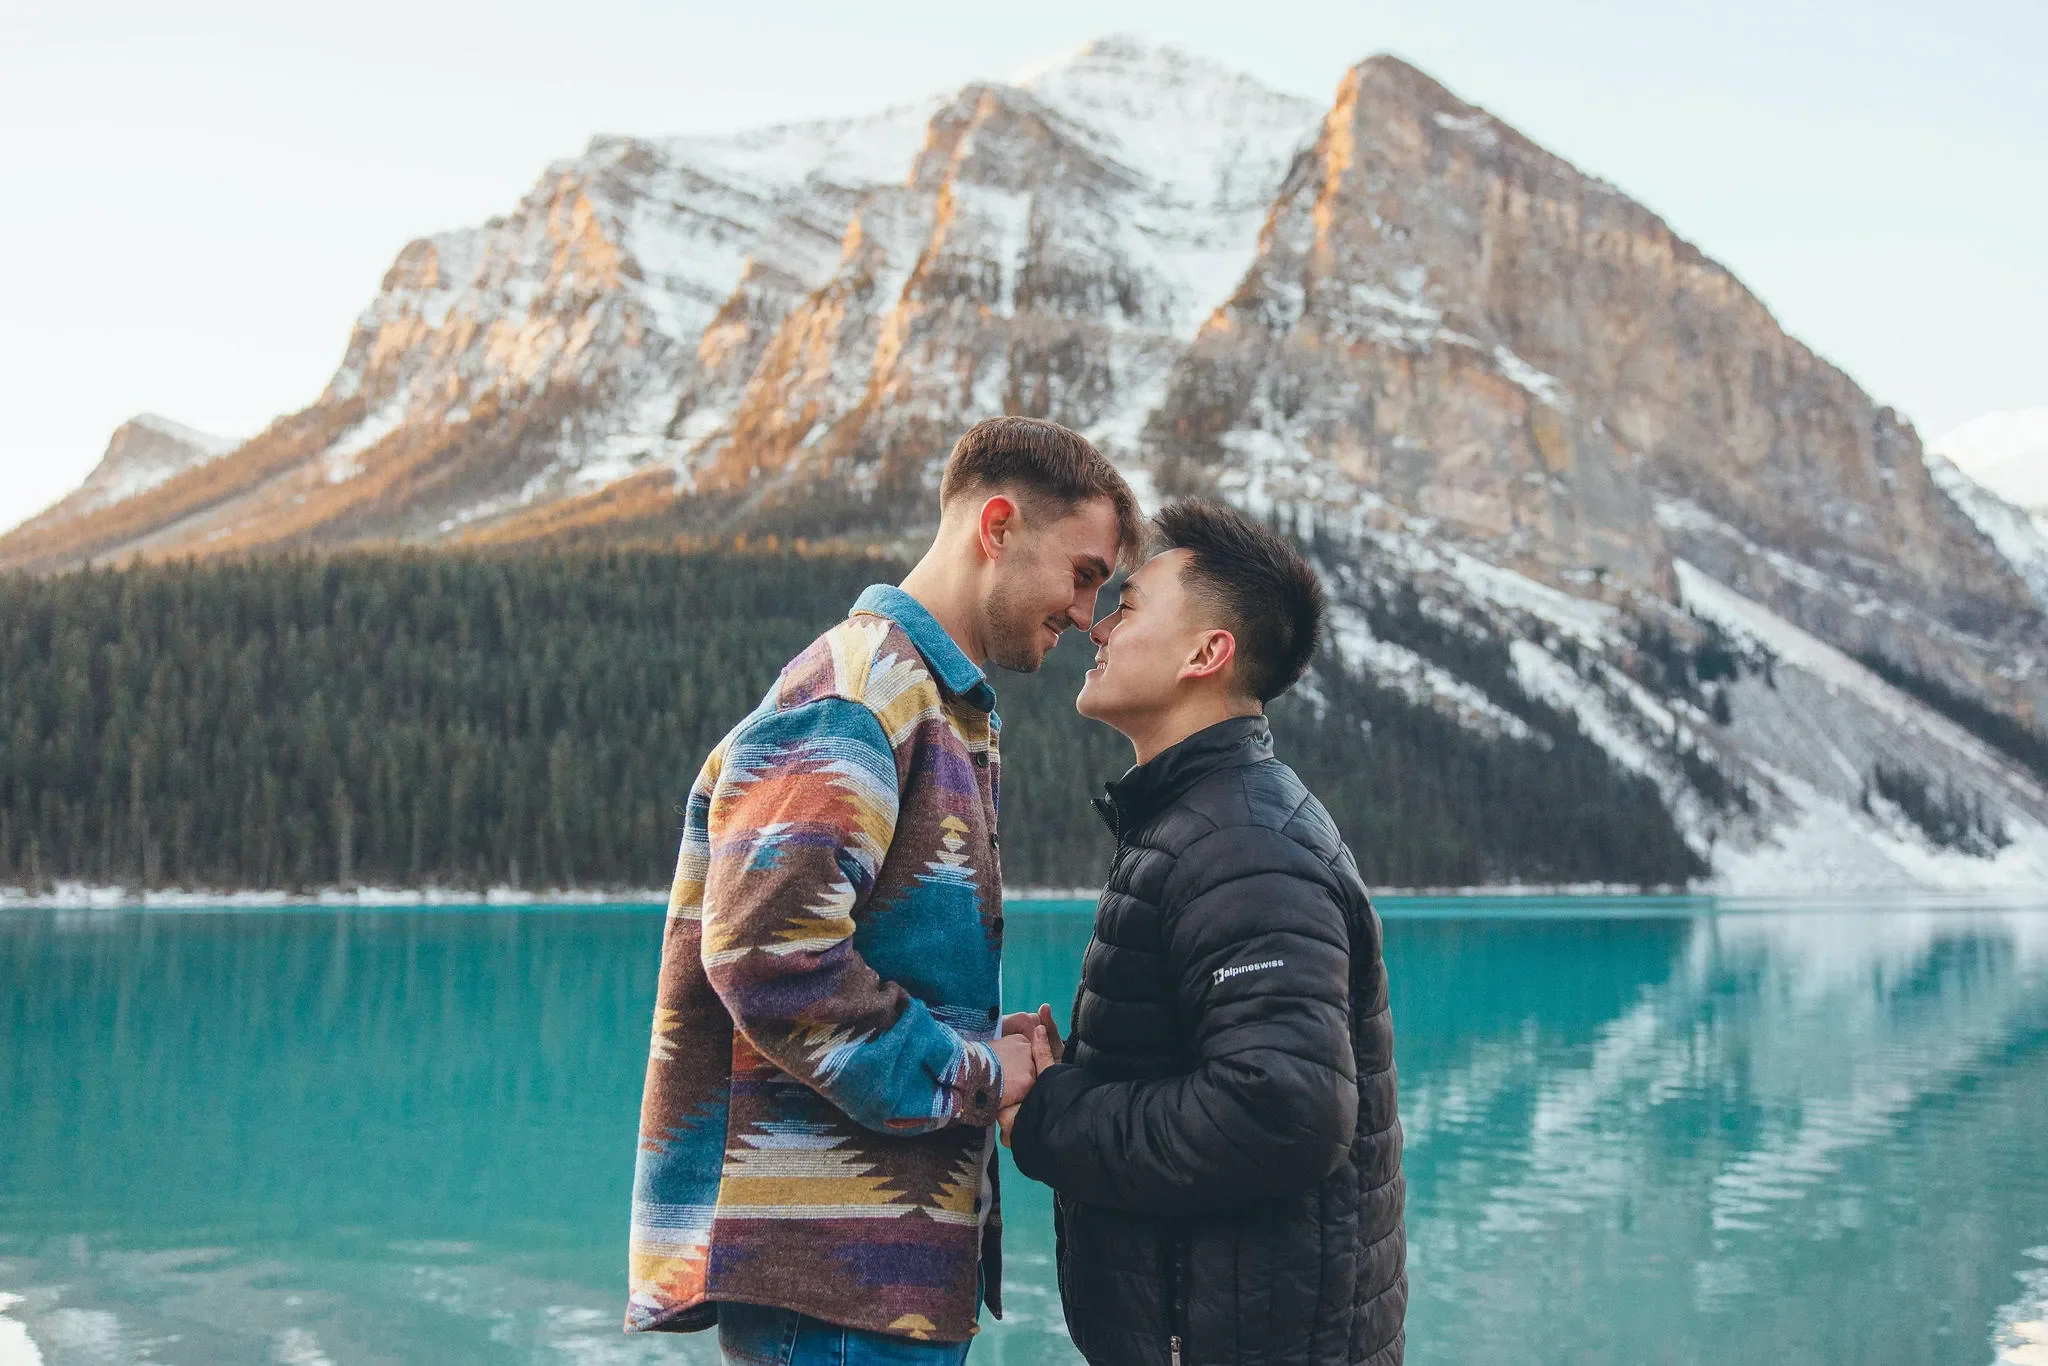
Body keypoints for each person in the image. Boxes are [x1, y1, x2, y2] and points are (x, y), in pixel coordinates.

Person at [625, 417, 1142, 1363]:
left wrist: (980, 1044)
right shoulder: (860, 694)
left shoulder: (933, 705)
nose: (1087, 615)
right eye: (1083, 573)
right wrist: (981, 1074)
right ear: (997, 527)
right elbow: (768, 959)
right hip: (828, 1287)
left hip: (874, 1279)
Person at [1003, 499, 1407, 1366]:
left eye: (1132, 604)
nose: (1098, 625)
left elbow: (1279, 1112)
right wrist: (1075, 1071)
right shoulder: (1204, 823)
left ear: (1206, 653)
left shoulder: (1243, 842)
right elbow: (1223, 1073)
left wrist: (1050, 1113)